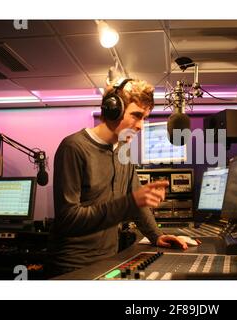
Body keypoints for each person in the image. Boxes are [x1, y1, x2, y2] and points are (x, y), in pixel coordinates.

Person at [48, 78, 189, 277]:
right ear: (113, 110)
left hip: (108, 260)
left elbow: (138, 202)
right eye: (136, 115)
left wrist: (157, 236)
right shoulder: (73, 147)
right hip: (73, 265)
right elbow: (69, 218)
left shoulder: (124, 151)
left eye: (145, 118)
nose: (141, 125)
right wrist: (129, 203)